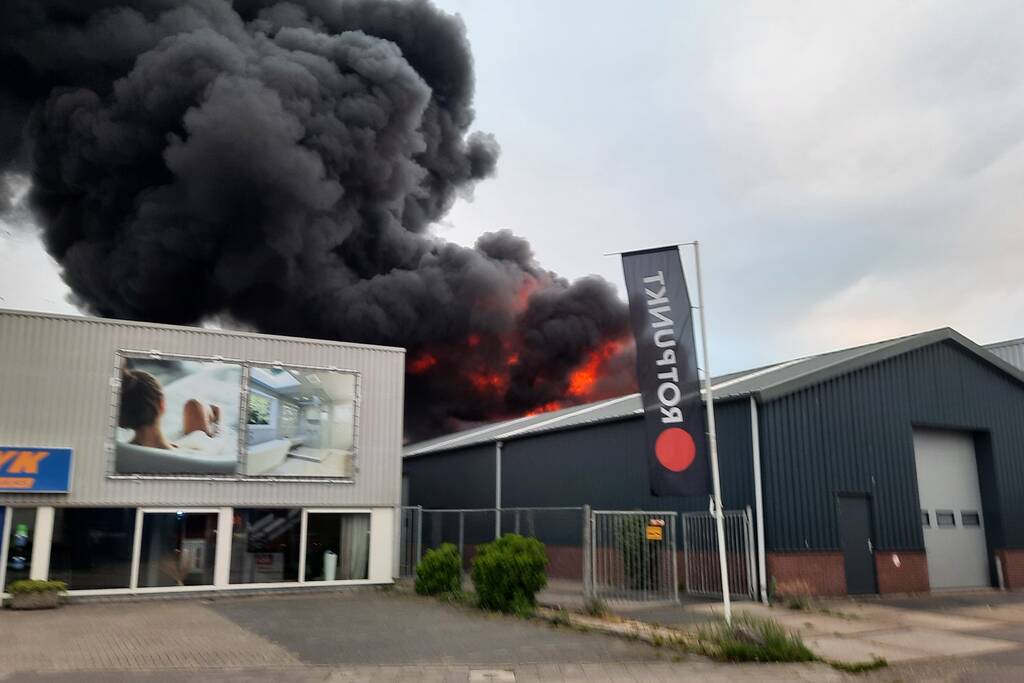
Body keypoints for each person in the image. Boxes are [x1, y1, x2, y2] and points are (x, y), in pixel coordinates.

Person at [118, 369, 221, 450]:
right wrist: (217, 430)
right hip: (188, 446)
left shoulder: (120, 452)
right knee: (194, 405)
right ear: (161, 404)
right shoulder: (192, 453)